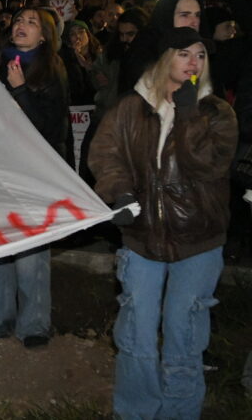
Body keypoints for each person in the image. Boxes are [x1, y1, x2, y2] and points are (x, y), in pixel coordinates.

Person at [89, 27, 237, 419]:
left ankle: (179, 413)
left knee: (184, 337)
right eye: (184, 53)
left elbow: (207, 166)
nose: (194, 62)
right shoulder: (131, 107)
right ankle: (136, 412)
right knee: (136, 333)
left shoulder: (217, 112)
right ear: (163, 58)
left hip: (199, 242)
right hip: (141, 239)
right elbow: (106, 154)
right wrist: (119, 193)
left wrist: (187, 115)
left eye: (201, 55)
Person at [0, 8, 69, 349]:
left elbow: (49, 128)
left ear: (44, 36)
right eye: (19, 20)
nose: (22, 26)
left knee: (30, 252)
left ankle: (34, 325)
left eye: (32, 22)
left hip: (34, 173)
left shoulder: (52, 71)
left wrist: (22, 90)